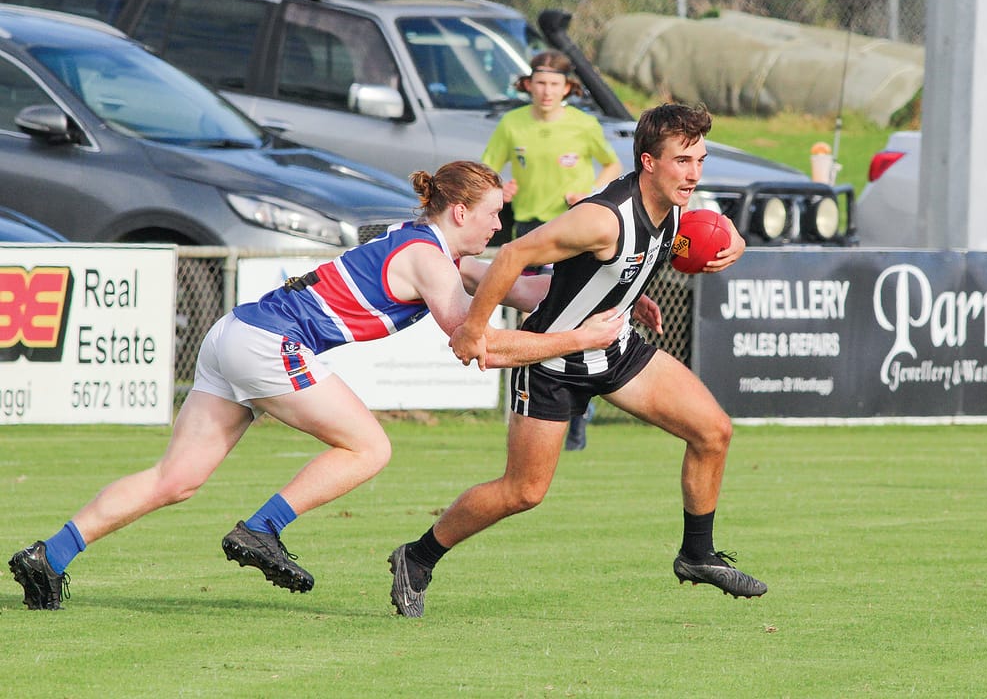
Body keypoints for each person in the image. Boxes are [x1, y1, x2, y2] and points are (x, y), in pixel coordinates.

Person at [7, 161, 627, 611]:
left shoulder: (435, 250)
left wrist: (622, 286)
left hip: (234, 333)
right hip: (269, 343)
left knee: (176, 479)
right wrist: (580, 340)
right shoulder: (432, 260)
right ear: (460, 212)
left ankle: (49, 556)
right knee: (370, 448)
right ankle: (263, 529)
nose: (500, 228)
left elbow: (527, 290)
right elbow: (477, 344)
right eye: (494, 216)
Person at [388, 104, 767, 618]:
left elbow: (703, 236)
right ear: (649, 162)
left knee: (713, 432)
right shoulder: (602, 218)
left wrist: (732, 246)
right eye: (683, 161)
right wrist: (474, 329)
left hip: (613, 348)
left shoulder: (677, 203)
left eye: (699, 159)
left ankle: (697, 555)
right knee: (523, 491)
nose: (694, 173)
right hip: (551, 361)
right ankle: (417, 556)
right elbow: (512, 255)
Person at [483, 49, 624, 451]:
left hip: (571, 233)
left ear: (568, 89)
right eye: (539, 83)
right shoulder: (511, 124)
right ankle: (528, 411)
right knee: (535, 326)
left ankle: (579, 413)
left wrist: (592, 195)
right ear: (528, 84)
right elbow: (487, 172)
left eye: (555, 84)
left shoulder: (583, 125)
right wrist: (500, 189)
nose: (546, 92)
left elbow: (611, 166)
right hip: (528, 233)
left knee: (570, 323)